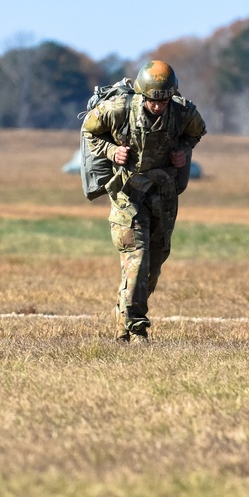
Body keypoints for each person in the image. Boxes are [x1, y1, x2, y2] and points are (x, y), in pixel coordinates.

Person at [81, 60, 207, 342]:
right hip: (128, 195)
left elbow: (196, 132)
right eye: (153, 100)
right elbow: (90, 131)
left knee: (154, 263)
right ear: (142, 95)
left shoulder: (183, 112)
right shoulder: (117, 110)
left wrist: (183, 151)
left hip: (163, 195)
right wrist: (112, 151)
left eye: (164, 100)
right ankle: (137, 330)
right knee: (136, 259)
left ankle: (123, 322)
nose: (159, 106)